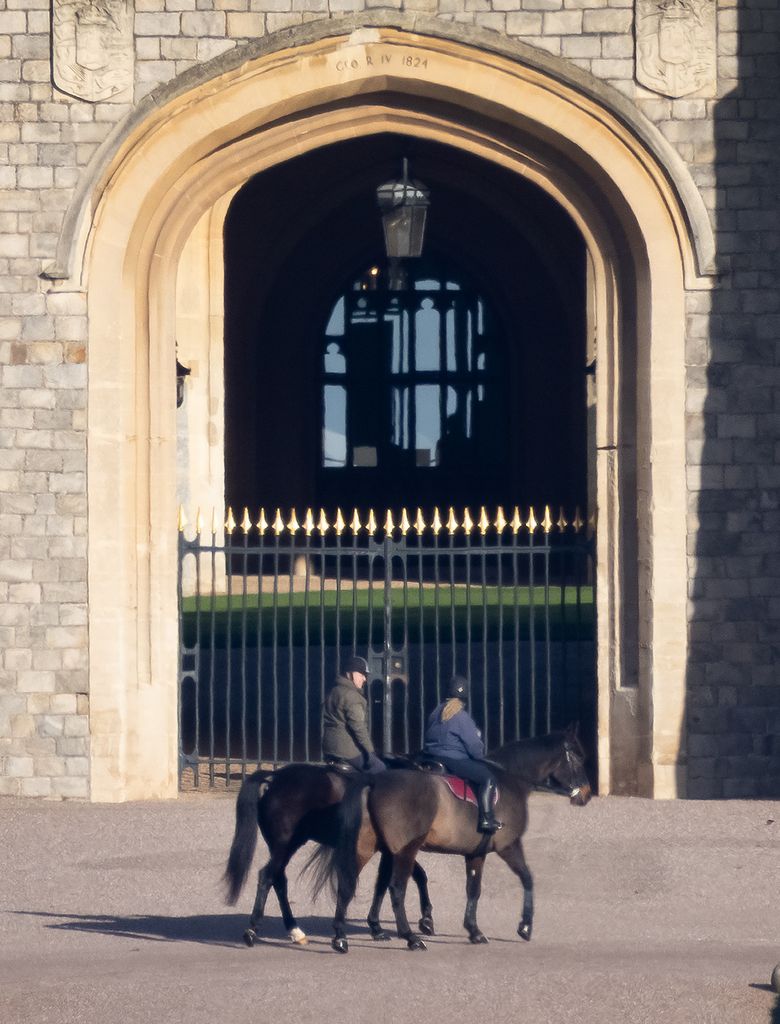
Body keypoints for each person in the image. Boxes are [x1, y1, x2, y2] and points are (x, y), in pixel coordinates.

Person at [423, 674, 501, 833]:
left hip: (432, 758)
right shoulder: (461, 716)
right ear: (465, 696)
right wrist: (480, 756)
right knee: (488, 778)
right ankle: (486, 819)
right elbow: (473, 746)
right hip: (454, 760)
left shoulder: (435, 712)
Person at [322, 655, 387, 773]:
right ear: (350, 674)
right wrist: (370, 752)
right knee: (380, 768)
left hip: (328, 747)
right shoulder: (352, 696)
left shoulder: (334, 691)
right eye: (361, 674)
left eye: (365, 675)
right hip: (346, 750)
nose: (364, 679)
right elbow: (358, 728)